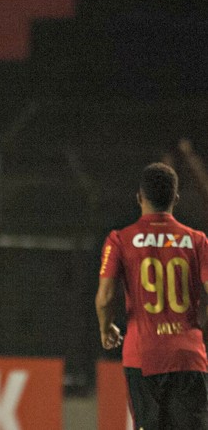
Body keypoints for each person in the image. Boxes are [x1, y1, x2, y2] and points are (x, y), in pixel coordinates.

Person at [95, 162, 208, 430]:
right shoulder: (197, 241)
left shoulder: (120, 240)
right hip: (188, 357)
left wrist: (106, 328)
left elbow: (104, 297)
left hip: (143, 357)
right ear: (175, 199)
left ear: (139, 197)